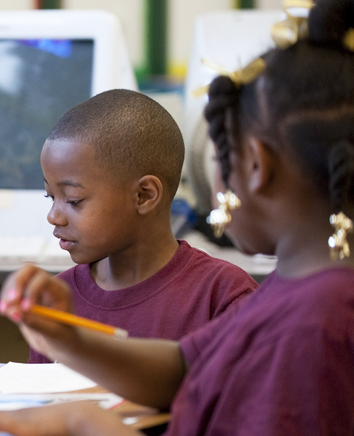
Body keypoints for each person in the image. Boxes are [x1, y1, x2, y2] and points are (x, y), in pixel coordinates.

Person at [0, 0, 354, 435]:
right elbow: (185, 368)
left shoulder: (317, 319)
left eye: (221, 153)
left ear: (256, 166)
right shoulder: (293, 287)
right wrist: (66, 337)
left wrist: (82, 421)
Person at [29, 89, 256, 363]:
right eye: (50, 197)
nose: (54, 216)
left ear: (144, 195)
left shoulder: (222, 296)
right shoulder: (57, 299)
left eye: (74, 200)